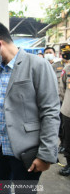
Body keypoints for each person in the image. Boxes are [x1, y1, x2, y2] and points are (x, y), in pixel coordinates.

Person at [0, 22, 60, 192]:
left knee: (25, 190)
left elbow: (50, 111)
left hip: (25, 152)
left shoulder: (38, 65)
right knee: (0, 189)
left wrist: (45, 154)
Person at [58, 44, 70, 176]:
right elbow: (62, 89)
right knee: (68, 140)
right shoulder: (67, 69)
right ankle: (69, 164)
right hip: (68, 112)